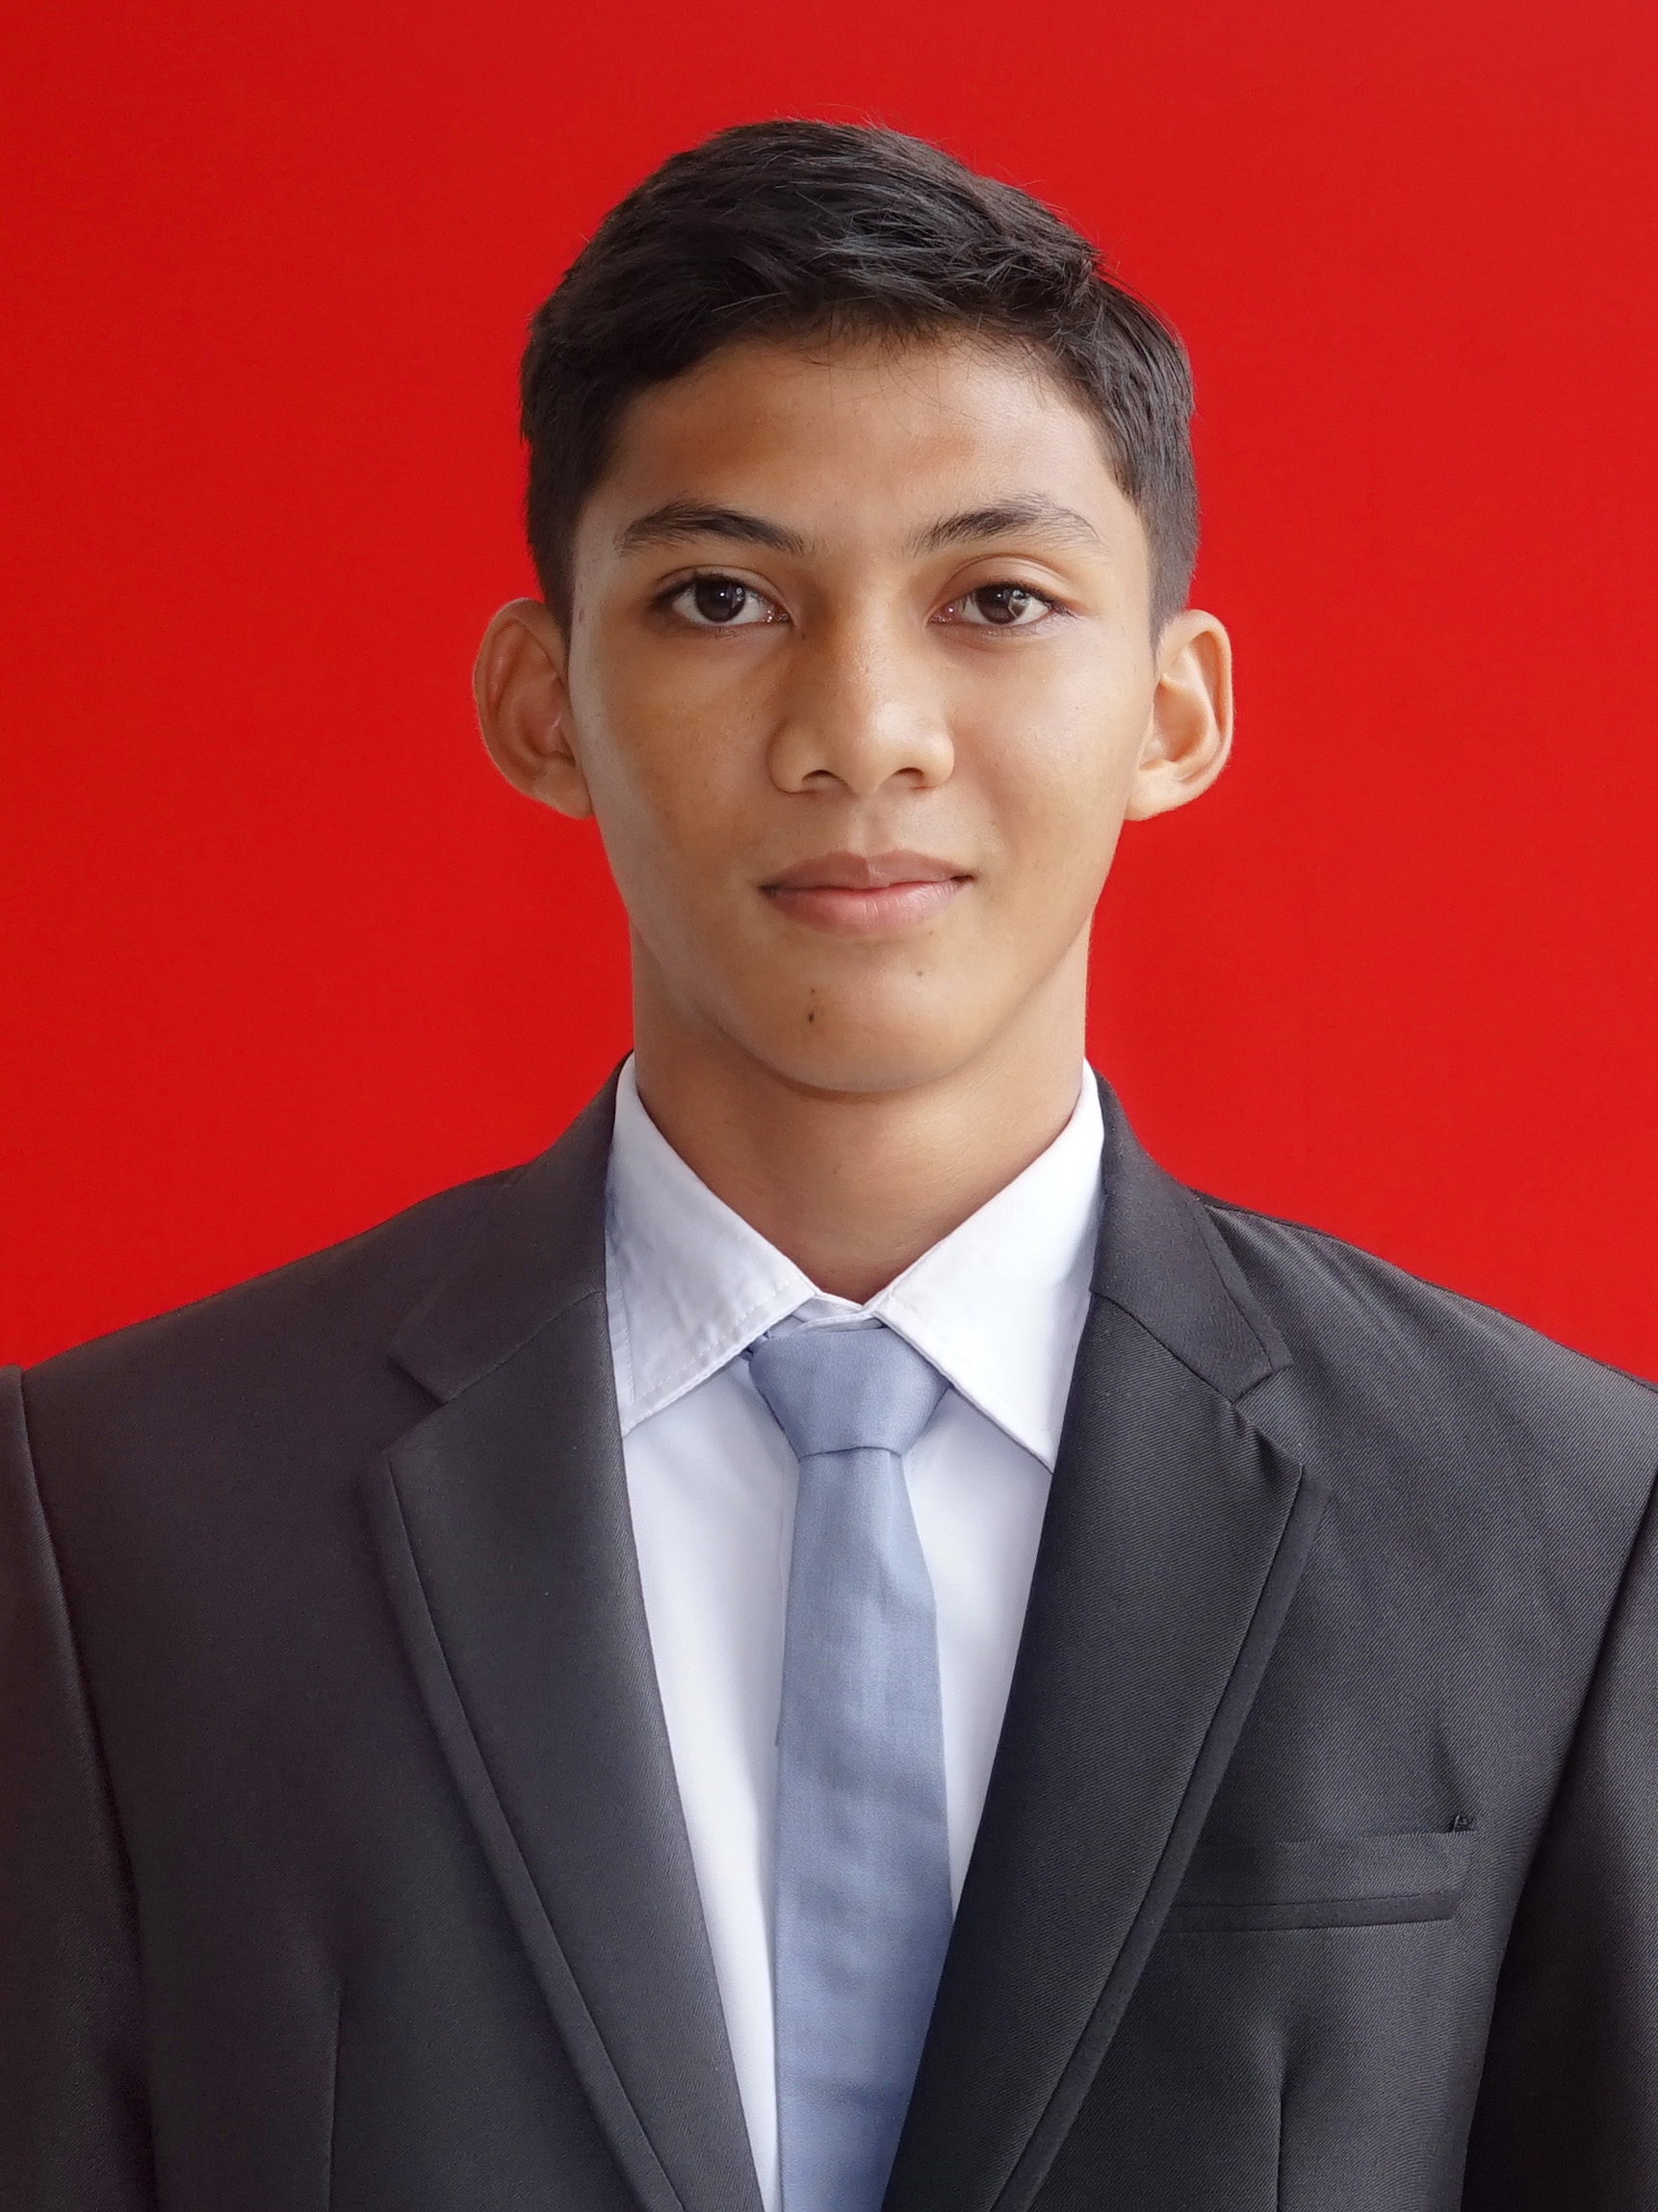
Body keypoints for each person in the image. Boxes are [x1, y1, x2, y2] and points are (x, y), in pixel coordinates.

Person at [3, 117, 1655, 2212]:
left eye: (998, 599)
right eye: (720, 597)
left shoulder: (1556, 1522)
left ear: (1174, 712)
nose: (862, 727)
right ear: (541, 700)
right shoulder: (120, 1522)